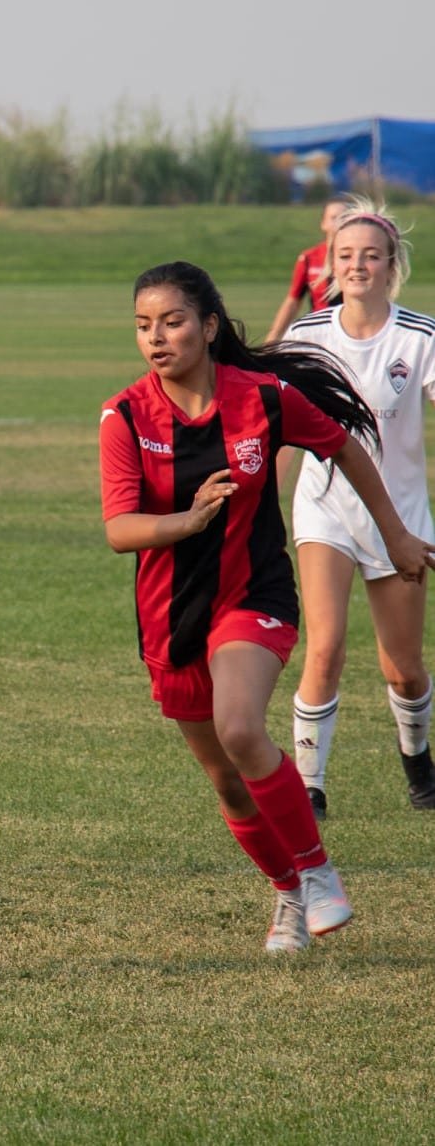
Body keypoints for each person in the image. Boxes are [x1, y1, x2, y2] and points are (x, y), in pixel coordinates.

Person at [100, 260, 434, 954]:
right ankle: (287, 893)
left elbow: (343, 443)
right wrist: (184, 523)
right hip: (169, 617)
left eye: (171, 321)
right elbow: (118, 530)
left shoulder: (263, 397)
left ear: (208, 325)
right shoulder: (125, 414)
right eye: (142, 326)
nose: (156, 338)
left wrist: (395, 532)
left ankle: (316, 872)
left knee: (240, 728)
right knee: (226, 782)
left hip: (253, 596)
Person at [283, 198, 435, 821]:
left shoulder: (420, 336)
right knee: (325, 648)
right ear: (329, 263)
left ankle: (418, 759)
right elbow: (277, 428)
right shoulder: (306, 336)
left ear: (391, 263)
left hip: (400, 518)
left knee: (402, 669)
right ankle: (308, 789)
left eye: (371, 255)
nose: (357, 265)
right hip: (325, 510)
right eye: (346, 256)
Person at [264, 196, 347, 343]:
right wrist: (273, 337)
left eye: (345, 217)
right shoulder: (309, 258)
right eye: (334, 217)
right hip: (320, 334)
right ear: (323, 223)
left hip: (351, 332)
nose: (340, 222)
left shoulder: (359, 260)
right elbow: (293, 300)